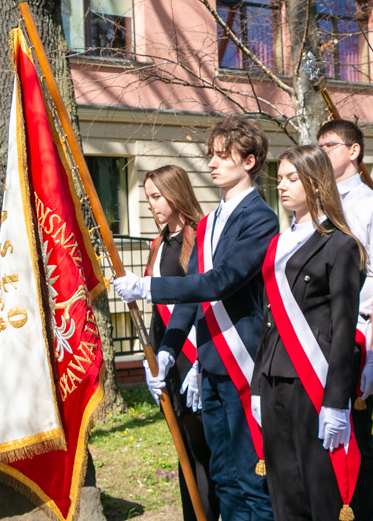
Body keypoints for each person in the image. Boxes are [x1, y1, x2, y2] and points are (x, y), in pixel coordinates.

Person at [114, 116, 279, 521]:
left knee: (251, 478)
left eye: (224, 155)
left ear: (250, 161)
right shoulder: (207, 224)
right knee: (222, 474)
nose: (212, 163)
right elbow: (190, 299)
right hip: (210, 365)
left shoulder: (260, 218)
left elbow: (219, 282)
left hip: (243, 364)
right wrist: (168, 351)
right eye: (211, 155)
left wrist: (148, 287)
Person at [251, 145, 366, 521]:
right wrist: (255, 385)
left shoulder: (340, 244)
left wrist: (335, 401)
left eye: (291, 178)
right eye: (280, 178)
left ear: (315, 182)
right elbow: (268, 322)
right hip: (272, 376)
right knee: (283, 489)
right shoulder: (277, 244)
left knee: (318, 488)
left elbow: (344, 327)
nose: (281, 186)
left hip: (311, 381)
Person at [317, 119, 373, 515]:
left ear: (353, 150)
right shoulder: (315, 203)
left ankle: (361, 509)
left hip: (359, 333)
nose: (322, 152)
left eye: (329, 145)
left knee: (358, 435)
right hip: (317, 331)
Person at [141, 165, 219, 521]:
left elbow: (204, 301)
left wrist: (201, 360)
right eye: (148, 199)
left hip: (194, 355)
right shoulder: (159, 242)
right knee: (183, 447)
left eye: (156, 197)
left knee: (204, 448)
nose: (151, 205)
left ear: (175, 193)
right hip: (168, 356)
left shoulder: (199, 236)